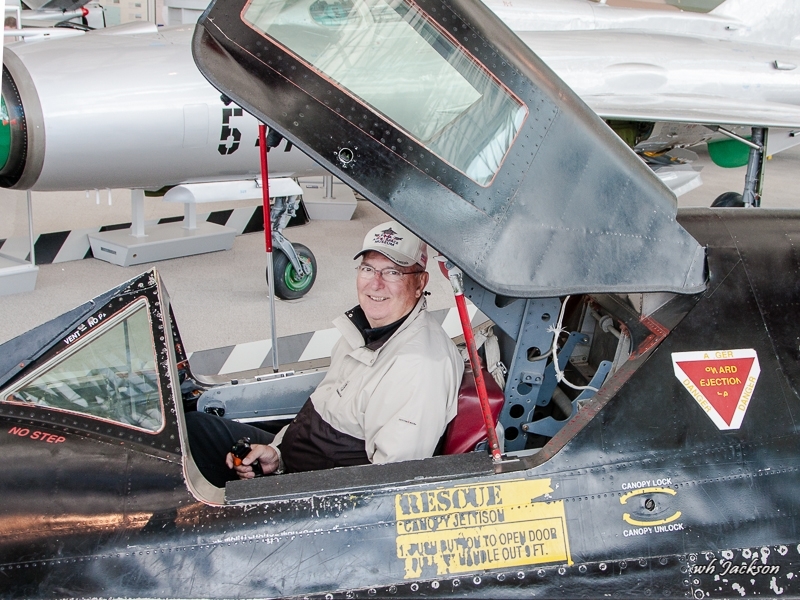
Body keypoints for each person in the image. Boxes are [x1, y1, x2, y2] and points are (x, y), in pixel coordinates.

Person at [186, 221, 464, 487]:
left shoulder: (419, 368)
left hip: (318, 493)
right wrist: (277, 455)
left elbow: (387, 485)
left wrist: (278, 487)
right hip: (294, 463)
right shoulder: (366, 330)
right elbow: (319, 411)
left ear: (420, 283)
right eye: (368, 269)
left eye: (393, 272)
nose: (375, 283)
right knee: (195, 429)